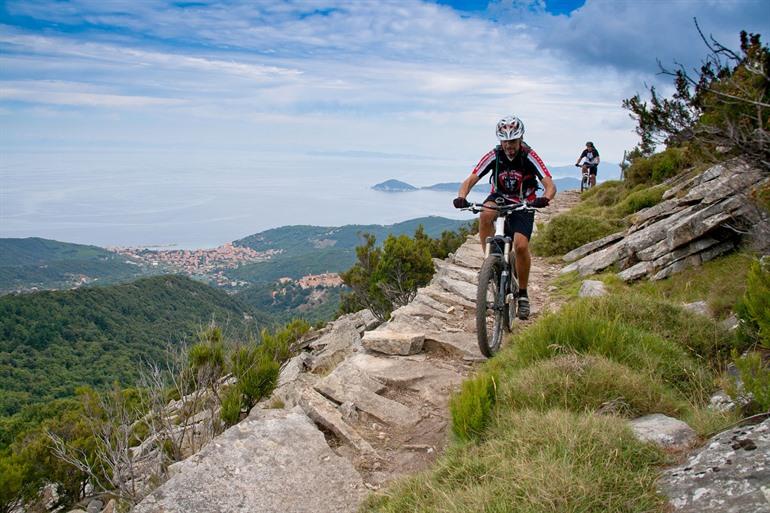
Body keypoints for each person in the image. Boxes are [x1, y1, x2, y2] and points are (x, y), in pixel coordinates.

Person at [452, 115, 556, 320]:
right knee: (485, 214)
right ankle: (489, 262)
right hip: (499, 198)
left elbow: (550, 184)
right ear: (500, 140)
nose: (509, 146)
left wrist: (545, 198)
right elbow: (471, 178)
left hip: (524, 201)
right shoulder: (494, 155)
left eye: (513, 141)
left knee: (521, 246)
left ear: (521, 139)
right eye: (505, 141)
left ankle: (523, 295)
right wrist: (461, 197)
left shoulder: (529, 155)